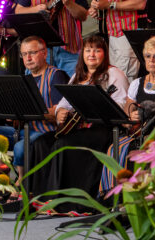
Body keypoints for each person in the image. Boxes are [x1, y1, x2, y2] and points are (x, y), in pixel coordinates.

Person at [41, 35, 129, 204]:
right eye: (88, 50)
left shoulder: (114, 73)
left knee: (63, 144)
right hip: (81, 127)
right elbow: (63, 104)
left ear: (105, 54)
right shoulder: (78, 75)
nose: (92, 54)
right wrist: (60, 112)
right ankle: (43, 196)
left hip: (104, 130)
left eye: (97, 50)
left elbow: (120, 105)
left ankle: (67, 201)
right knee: (42, 142)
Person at [101, 36, 155, 195]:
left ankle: (141, 197)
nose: (151, 60)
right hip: (140, 132)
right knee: (116, 146)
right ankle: (117, 197)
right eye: (148, 56)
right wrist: (132, 118)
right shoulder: (137, 83)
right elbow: (128, 117)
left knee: (140, 148)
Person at [14, 0, 88, 77]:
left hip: (70, 50)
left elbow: (83, 16)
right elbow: (18, 11)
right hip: (40, 52)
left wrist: (69, 4)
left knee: (73, 86)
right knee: (39, 88)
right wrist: (36, 9)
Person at [14, 35, 70, 176]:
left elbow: (58, 112)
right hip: (25, 129)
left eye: (32, 53)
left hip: (46, 132)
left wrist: (30, 111)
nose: (28, 58)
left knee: (20, 147)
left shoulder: (56, 75)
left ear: (44, 53)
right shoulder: (24, 79)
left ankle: (21, 183)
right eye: (24, 54)